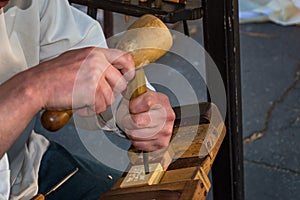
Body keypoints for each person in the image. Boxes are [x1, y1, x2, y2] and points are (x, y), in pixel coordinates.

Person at [0, 0, 175, 199]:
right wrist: (32, 90)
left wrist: (128, 108)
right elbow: (40, 85)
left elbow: (80, 55)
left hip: (24, 168)